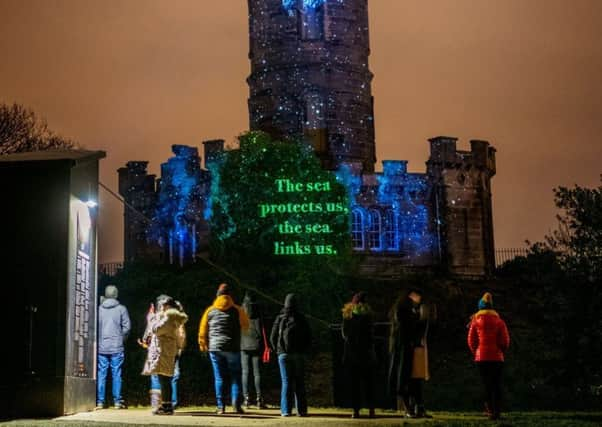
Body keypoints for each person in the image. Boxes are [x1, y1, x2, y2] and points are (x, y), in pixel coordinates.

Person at [198, 283, 250, 414]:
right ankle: (237, 405)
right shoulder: (238, 309)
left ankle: (221, 407)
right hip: (233, 347)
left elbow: (202, 331)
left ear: (217, 295)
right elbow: (246, 325)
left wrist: (203, 345)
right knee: (236, 377)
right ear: (230, 296)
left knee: (219, 377)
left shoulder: (209, 310)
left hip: (215, 348)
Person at [387, 288, 431, 418]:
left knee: (413, 379)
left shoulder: (406, 310)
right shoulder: (403, 311)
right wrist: (420, 318)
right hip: (404, 349)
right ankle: (409, 408)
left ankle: (417, 407)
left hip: (409, 349)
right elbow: (409, 327)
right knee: (405, 378)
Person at [142, 295, 188, 415]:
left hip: (163, 351)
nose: (161, 307)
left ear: (168, 306)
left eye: (163, 305)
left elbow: (156, 329)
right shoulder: (171, 317)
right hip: (166, 350)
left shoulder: (169, 317)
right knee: (165, 379)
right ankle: (165, 405)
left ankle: (167, 406)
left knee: (165, 379)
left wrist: (151, 318)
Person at [467, 292, 510, 421]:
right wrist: (501, 351)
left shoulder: (475, 321)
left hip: (481, 358)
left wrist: (476, 352)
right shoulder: (500, 322)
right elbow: (505, 342)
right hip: (497, 358)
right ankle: (496, 411)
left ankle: (489, 410)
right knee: (496, 384)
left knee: (486, 384)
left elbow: (471, 340)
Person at [270, 293, 311, 417]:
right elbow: (309, 337)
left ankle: (286, 411)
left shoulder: (280, 318)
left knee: (286, 382)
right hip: (299, 354)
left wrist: (278, 350)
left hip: (283, 354)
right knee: (300, 382)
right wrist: (304, 350)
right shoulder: (301, 318)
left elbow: (272, 337)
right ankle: (301, 410)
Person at [341, 292, 376, 419]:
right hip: (366, 354)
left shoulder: (348, 315)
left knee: (354, 384)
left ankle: (355, 411)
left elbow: (344, 334)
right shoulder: (368, 316)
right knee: (368, 384)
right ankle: (371, 410)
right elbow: (371, 335)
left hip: (352, 354)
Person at [97, 285, 131, 410]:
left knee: (101, 374)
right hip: (117, 347)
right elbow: (127, 328)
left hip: (102, 346)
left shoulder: (99, 309)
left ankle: (100, 402)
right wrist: (120, 339)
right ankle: (117, 402)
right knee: (116, 374)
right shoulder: (122, 309)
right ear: (116, 294)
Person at [240, 292, 267, 409]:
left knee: (245, 372)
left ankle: (246, 399)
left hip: (244, 345)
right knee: (257, 373)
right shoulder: (258, 311)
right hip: (257, 344)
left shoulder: (241, 311)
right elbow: (263, 329)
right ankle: (259, 399)